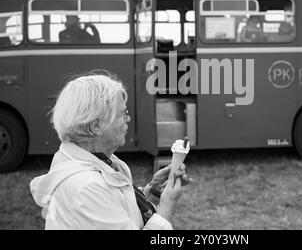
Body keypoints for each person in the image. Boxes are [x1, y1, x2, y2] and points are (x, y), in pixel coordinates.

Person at [30, 72, 190, 229]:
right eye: (122, 114)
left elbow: (114, 206)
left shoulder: (97, 161)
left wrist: (150, 190)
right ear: (96, 126)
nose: (128, 119)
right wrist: (167, 205)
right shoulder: (87, 188)